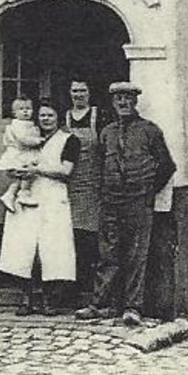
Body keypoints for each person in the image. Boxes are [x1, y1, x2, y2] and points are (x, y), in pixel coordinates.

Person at [75, 81, 176, 328]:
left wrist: (147, 191)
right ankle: (100, 305)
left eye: (127, 98)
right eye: (118, 99)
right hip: (111, 202)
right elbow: (99, 165)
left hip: (138, 203)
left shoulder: (150, 131)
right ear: (113, 102)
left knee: (135, 255)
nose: (123, 103)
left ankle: (133, 307)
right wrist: (103, 192)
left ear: (135, 101)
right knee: (107, 254)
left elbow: (166, 165)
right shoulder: (107, 132)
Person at [0, 100, 79, 315]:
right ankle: (27, 298)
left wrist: (38, 171)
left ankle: (49, 300)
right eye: (42, 115)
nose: (45, 119)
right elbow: (13, 163)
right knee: (23, 248)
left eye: (50, 115)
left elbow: (65, 171)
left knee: (52, 250)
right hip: (28, 197)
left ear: (58, 117)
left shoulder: (69, 140)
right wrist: (16, 172)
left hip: (53, 197)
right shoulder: (28, 138)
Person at [62, 79, 103, 300]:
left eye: (83, 91)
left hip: (93, 184)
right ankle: (73, 289)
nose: (79, 95)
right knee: (72, 236)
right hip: (70, 183)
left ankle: (92, 289)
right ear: (70, 93)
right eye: (75, 90)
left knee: (91, 236)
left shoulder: (98, 116)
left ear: (89, 93)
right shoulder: (65, 118)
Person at [0, 96, 43, 213]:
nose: (25, 111)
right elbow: (23, 139)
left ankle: (10, 194)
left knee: (22, 177)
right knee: (25, 174)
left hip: (26, 152)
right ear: (14, 113)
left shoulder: (29, 124)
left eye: (28, 108)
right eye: (21, 109)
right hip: (20, 154)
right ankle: (23, 194)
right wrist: (39, 140)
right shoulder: (17, 125)